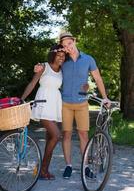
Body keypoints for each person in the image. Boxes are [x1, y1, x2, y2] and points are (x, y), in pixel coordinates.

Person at [34, 32, 110, 179]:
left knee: (83, 134)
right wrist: (39, 66)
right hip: (65, 104)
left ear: (74, 41)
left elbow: (98, 79)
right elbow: (50, 66)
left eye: (69, 44)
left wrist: (105, 97)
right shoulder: (63, 60)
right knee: (67, 134)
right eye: (64, 46)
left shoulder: (88, 59)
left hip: (82, 104)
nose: (68, 48)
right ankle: (68, 165)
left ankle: (85, 166)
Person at [21, 44, 66, 180]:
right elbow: (32, 83)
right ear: (53, 55)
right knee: (57, 135)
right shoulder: (44, 66)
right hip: (43, 103)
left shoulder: (63, 70)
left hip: (55, 104)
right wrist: (21, 99)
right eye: (58, 55)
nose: (61, 58)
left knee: (50, 139)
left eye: (63, 56)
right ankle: (42, 168)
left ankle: (43, 170)